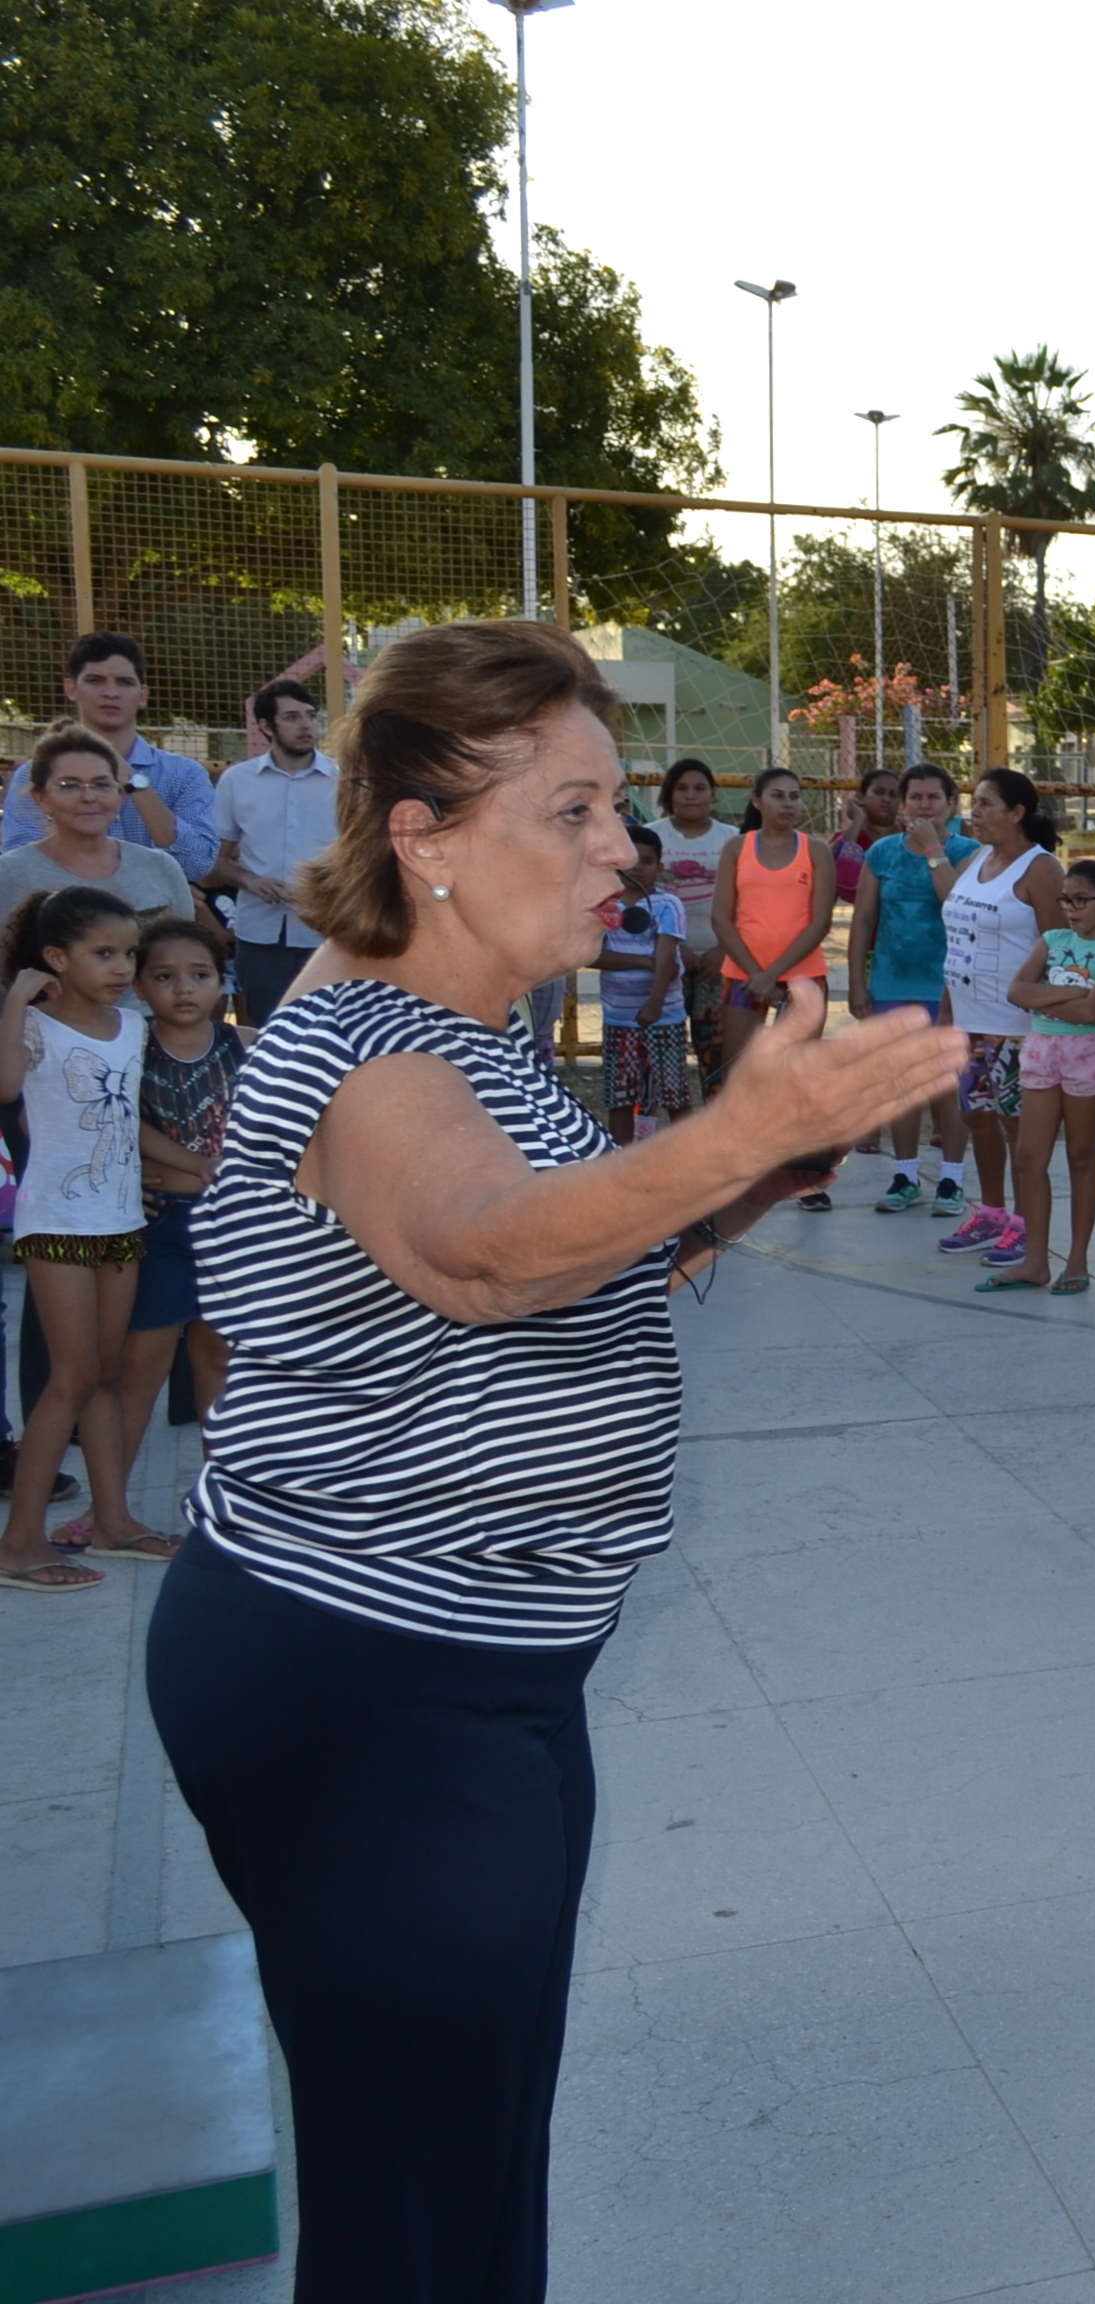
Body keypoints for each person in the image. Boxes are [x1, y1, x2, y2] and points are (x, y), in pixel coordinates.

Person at [140, 618, 953, 2301]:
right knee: (422, 2205)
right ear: (421, 833)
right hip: (381, 1690)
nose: (622, 849)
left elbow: (579, 1255)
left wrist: (745, 1174)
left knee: (451, 2162)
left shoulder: (473, 1029)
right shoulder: (380, 1052)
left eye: (619, 809)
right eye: (572, 811)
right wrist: (736, 1130)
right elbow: (486, 1250)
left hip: (453, 1671)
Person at [0, 887, 156, 1591]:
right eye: (103, 954)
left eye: (127, 952)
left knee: (105, 1373)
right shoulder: (33, 1028)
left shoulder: (130, 1026)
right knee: (69, 1379)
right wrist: (15, 999)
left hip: (119, 1220)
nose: (122, 966)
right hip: (57, 1225)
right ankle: (18, 1543)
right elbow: (6, 1087)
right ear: (57, 959)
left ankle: (113, 1521)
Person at [118, 912, 244, 1497]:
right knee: (142, 1362)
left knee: (217, 1357)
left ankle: (223, 1498)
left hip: (230, 1225)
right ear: (139, 985)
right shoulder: (127, 1049)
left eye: (199, 974)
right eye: (164, 977)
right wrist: (192, 1164)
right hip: (160, 1222)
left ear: (223, 982)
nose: (184, 988)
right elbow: (122, 1124)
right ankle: (110, 1503)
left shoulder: (247, 1046)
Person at [932, 771, 1065, 1264]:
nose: (975, 812)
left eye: (986, 804)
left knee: (1017, 1128)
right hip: (970, 1019)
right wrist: (949, 1013)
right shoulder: (976, 860)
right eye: (974, 802)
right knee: (976, 1116)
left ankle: (1027, 1225)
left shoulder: (1041, 869)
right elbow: (959, 938)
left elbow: (1058, 949)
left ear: (1017, 813)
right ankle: (991, 1211)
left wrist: (1052, 1014)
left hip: (1015, 1026)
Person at [981, 860, 1095, 1295]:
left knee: (1081, 1156)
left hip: (1090, 1055)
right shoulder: (1052, 940)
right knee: (1029, 1155)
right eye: (1065, 899)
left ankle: (1077, 1259)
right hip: (1043, 1051)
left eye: (1081, 900)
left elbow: (1088, 1014)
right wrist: (1076, 992)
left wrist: (1047, 1000)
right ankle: (1035, 1260)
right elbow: (1017, 991)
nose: (1070, 908)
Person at [848, 763, 976, 1215]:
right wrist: (857, 982)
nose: (924, 805)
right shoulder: (882, 852)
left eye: (933, 798)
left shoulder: (969, 850)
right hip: (891, 981)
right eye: (916, 797)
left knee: (949, 1083)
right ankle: (904, 1176)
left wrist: (932, 850)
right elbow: (864, 918)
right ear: (903, 804)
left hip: (947, 986)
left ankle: (952, 1180)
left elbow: (958, 906)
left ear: (951, 804)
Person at [1, 633, 217, 877]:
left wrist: (133, 781)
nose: (111, 693)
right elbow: (20, 867)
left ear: (143, 695)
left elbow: (198, 865)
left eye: (125, 682)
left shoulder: (184, 775)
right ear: (71, 689)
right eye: (95, 680)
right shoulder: (33, 775)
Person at [211, 676, 339, 1024]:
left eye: (310, 715)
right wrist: (249, 880)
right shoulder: (237, 781)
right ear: (266, 726)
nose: (306, 725)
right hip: (260, 936)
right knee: (264, 1032)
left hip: (327, 932)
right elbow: (214, 862)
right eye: (292, 717)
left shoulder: (344, 781)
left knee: (329, 1035)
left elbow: (360, 860)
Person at [707, 764, 839, 1102]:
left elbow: (820, 922)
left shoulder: (816, 851)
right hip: (743, 977)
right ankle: (741, 1152)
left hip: (803, 977)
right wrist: (757, 976)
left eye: (794, 797)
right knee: (738, 1075)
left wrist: (774, 975)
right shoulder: (737, 848)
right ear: (756, 801)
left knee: (798, 1076)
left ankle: (794, 1153)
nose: (787, 804)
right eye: (777, 796)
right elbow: (721, 919)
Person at [0, 723, 199, 938]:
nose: (88, 797)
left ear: (120, 796)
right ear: (42, 799)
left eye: (101, 785)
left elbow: (182, 954)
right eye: (69, 786)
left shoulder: (162, 868)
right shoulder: (10, 874)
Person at [595, 826, 693, 1143]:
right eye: (633, 859)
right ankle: (621, 1164)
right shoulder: (603, 904)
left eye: (647, 861)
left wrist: (654, 1001)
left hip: (665, 1016)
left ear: (659, 867)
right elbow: (592, 955)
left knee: (674, 1094)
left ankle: (688, 1164)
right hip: (618, 1018)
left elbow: (666, 955)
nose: (638, 867)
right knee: (620, 1095)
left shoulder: (667, 905)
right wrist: (641, 961)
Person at [649, 761, 737, 1085]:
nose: (690, 796)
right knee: (664, 1049)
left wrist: (725, 949)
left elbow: (748, 900)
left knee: (715, 1049)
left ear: (713, 795)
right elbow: (641, 898)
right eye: (681, 788)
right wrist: (674, 947)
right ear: (669, 794)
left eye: (699, 788)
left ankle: (719, 1124)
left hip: (720, 961)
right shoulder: (652, 835)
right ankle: (665, 1125)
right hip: (666, 961)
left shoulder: (733, 839)